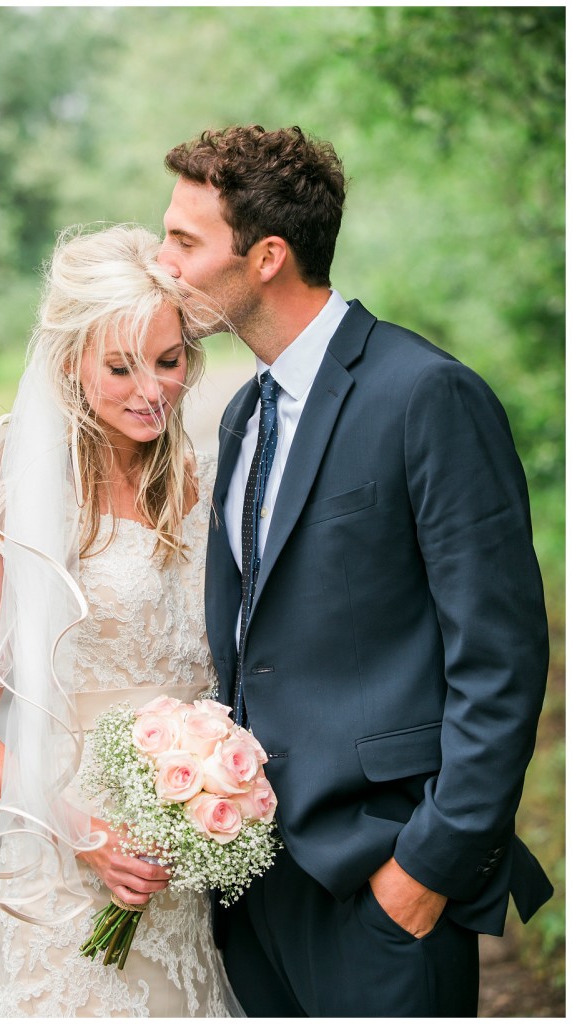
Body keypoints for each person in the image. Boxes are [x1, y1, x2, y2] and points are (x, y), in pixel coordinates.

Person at [158, 124, 553, 1017]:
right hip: (252, 884)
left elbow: (499, 660)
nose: (163, 261)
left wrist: (426, 869)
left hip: (381, 880)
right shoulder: (242, 417)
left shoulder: (426, 395)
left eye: (185, 240)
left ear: (265, 256)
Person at [0, 224, 239, 1017]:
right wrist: (83, 833)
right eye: (120, 366)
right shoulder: (26, 485)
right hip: (69, 867)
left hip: (179, 865)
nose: (152, 390)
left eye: (169, 361)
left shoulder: (194, 485)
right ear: (71, 362)